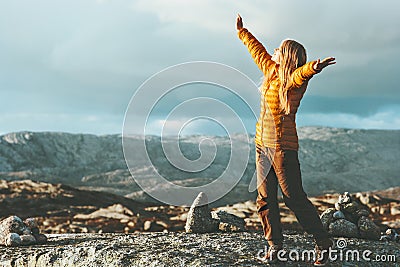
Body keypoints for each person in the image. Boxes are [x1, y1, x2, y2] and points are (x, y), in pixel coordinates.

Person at [236, 14, 336, 266]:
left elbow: (301, 74)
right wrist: (242, 31)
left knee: (294, 199)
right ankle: (274, 246)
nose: (275, 51)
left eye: (279, 49)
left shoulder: (291, 82)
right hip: (262, 146)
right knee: (264, 198)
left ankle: (324, 243)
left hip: (283, 150)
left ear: (288, 56)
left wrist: (313, 67)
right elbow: (256, 51)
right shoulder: (271, 70)